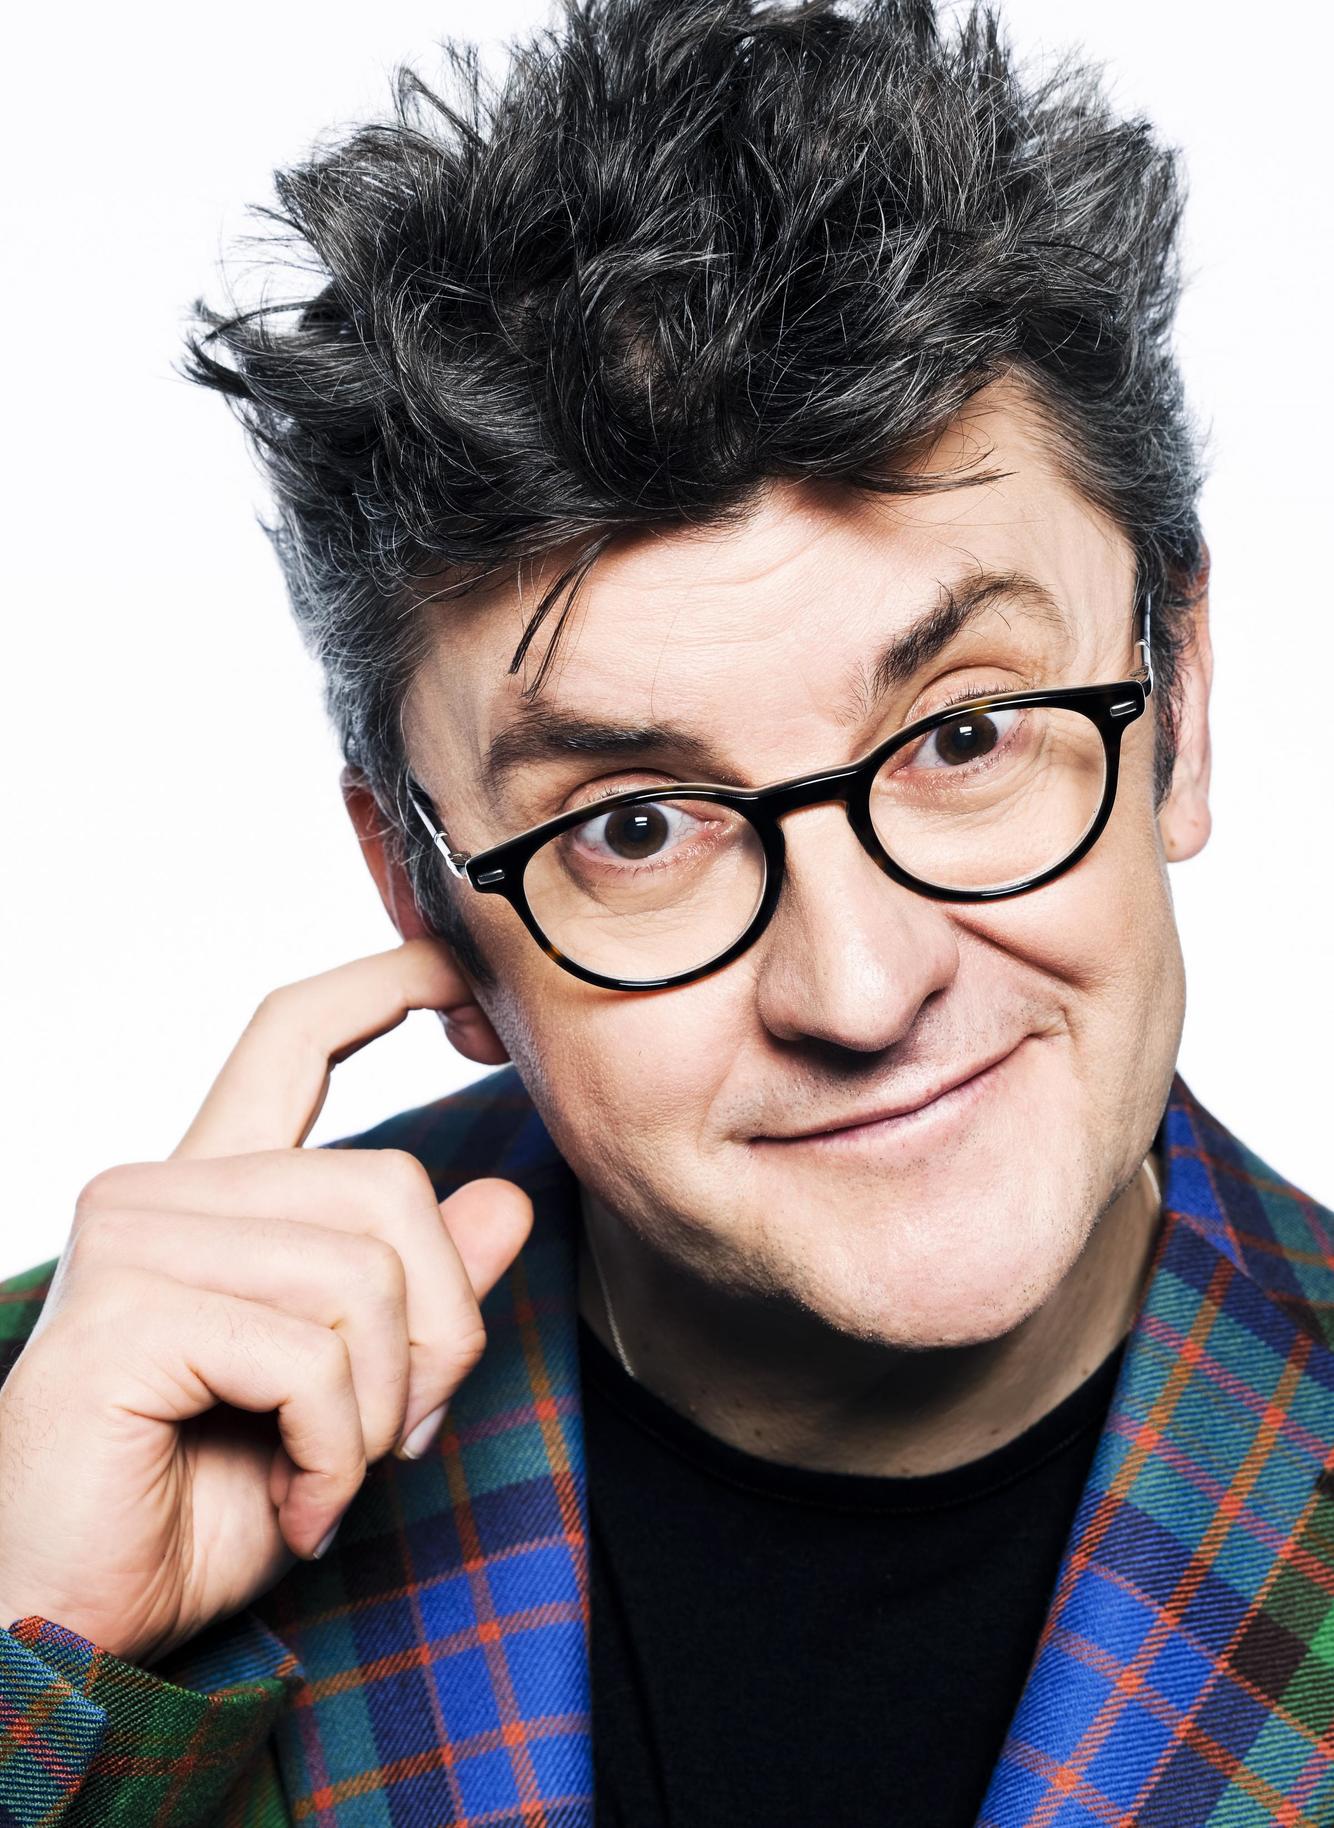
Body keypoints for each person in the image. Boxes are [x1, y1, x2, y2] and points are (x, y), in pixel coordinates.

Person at [1, 1, 1330, 1823]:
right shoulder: (51, 1460)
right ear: (419, 890)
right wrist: (32, 1665)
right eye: (635, 826)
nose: (857, 985)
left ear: (1176, 700)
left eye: (961, 736)